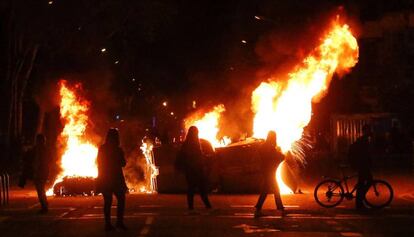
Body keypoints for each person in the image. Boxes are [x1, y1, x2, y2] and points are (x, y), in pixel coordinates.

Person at [96, 128, 128, 231]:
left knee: (107, 202)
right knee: (121, 200)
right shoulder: (118, 149)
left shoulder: (102, 149)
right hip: (116, 178)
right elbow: (123, 163)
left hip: (105, 178)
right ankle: (119, 222)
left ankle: (108, 224)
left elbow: (99, 163)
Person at [175, 126, 212, 211]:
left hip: (190, 170)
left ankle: (191, 207)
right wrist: (205, 159)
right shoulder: (194, 143)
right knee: (201, 188)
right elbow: (195, 156)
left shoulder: (186, 143)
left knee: (191, 188)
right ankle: (207, 206)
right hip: (196, 169)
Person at [254, 131, 284, 218]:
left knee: (266, 189)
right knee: (275, 189)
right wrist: (282, 155)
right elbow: (275, 156)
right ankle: (279, 207)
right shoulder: (269, 147)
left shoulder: (265, 146)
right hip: (269, 171)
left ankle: (259, 207)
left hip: (267, 170)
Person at [19, 134, 50, 214]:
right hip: (43, 172)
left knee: (40, 190)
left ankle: (44, 206)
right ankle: (44, 204)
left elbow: (35, 161)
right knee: (41, 189)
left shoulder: (38, 150)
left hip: (40, 173)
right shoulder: (44, 150)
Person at [348, 124, 373, 209]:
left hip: (361, 165)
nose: (370, 132)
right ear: (365, 131)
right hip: (362, 165)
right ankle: (359, 201)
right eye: (369, 130)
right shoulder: (363, 140)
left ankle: (359, 201)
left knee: (361, 183)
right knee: (368, 181)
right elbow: (365, 155)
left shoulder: (363, 140)